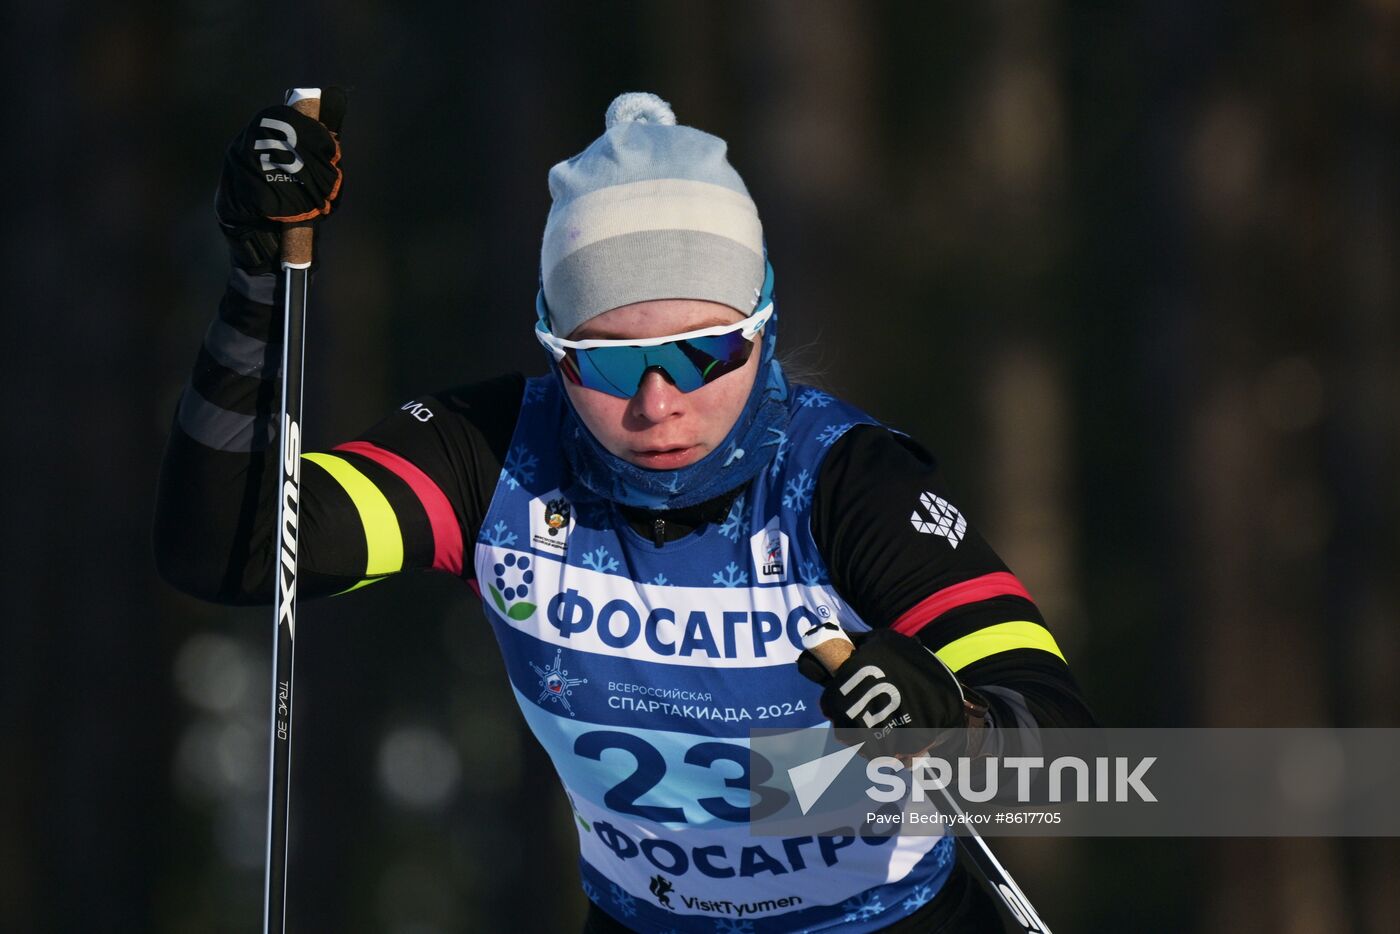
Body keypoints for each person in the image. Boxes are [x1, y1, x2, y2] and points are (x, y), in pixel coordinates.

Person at [156, 89, 1095, 933]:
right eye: (602, 361)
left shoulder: (844, 483)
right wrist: (252, 285)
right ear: (553, 350)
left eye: (699, 354)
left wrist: (958, 726)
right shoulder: (497, 457)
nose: (654, 405)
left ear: (759, 330)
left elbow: (1070, 756)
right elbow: (230, 554)